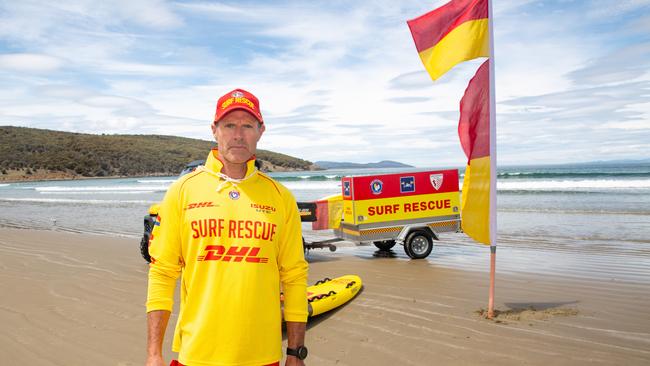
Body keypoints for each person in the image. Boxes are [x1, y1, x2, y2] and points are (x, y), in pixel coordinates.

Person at [146, 88, 309, 366]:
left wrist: (295, 353)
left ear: (261, 131)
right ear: (214, 129)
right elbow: (162, 272)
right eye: (229, 125)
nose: (238, 134)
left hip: (262, 356)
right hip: (197, 355)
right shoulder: (182, 191)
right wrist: (154, 354)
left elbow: (294, 276)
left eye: (247, 125)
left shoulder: (281, 198)